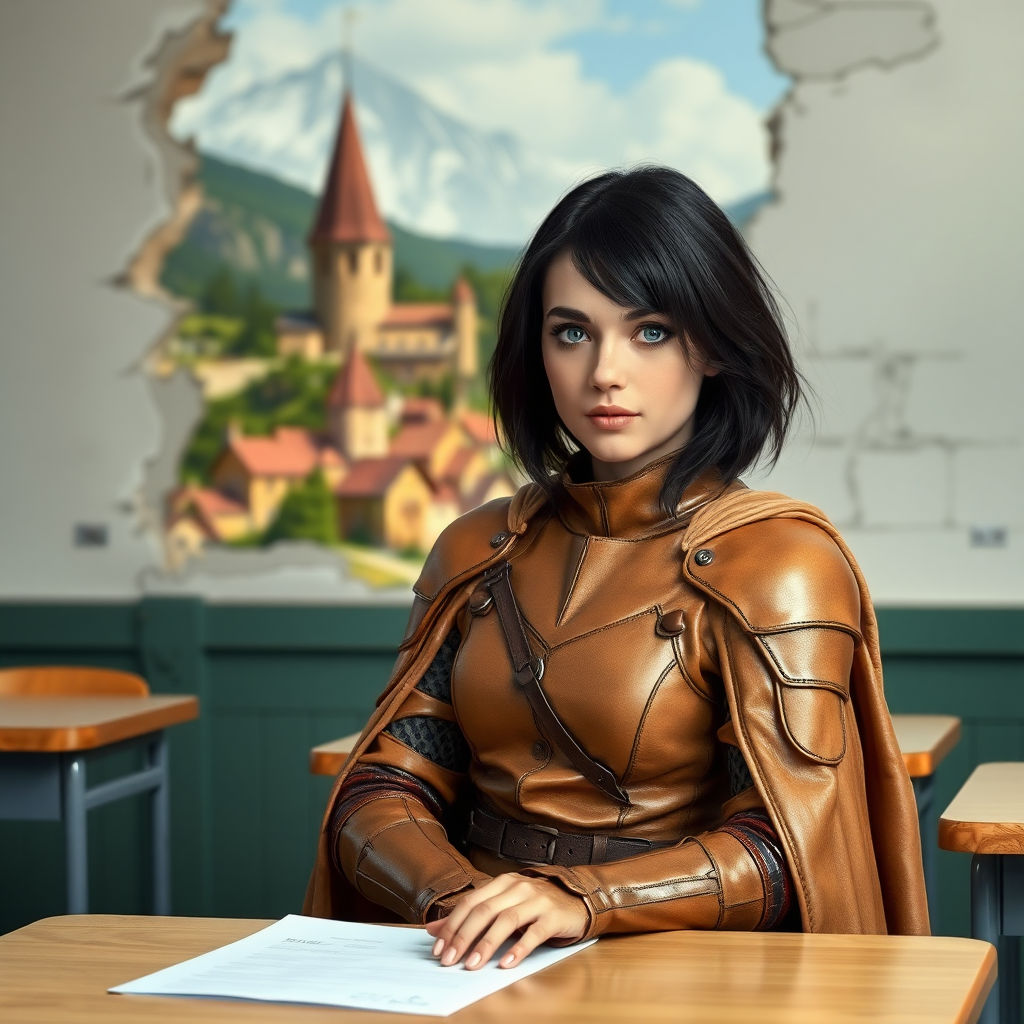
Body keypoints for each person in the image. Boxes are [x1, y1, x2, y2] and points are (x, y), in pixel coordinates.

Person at [303, 166, 929, 969]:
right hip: (463, 959)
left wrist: (583, 901)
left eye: (651, 331)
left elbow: (783, 850)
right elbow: (383, 787)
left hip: (679, 964)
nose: (604, 371)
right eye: (572, 331)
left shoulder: (780, 562)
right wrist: (467, 906)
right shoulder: (475, 547)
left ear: (710, 344)